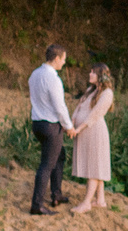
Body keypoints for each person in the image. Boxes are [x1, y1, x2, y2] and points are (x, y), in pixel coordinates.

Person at [27, 43, 76, 216]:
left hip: (37, 124)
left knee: (59, 156)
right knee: (47, 165)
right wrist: (68, 126)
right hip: (50, 125)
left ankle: (56, 194)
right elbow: (60, 107)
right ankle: (37, 205)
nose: (64, 63)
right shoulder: (53, 79)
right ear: (56, 58)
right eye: (63, 59)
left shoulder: (34, 74)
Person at [67, 63, 116, 214]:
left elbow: (95, 114)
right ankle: (100, 200)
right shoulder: (91, 90)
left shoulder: (107, 93)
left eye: (93, 72)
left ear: (101, 76)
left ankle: (87, 202)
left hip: (95, 132)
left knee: (94, 167)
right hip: (85, 132)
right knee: (95, 165)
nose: (89, 74)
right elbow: (79, 107)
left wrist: (79, 128)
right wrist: (72, 122)